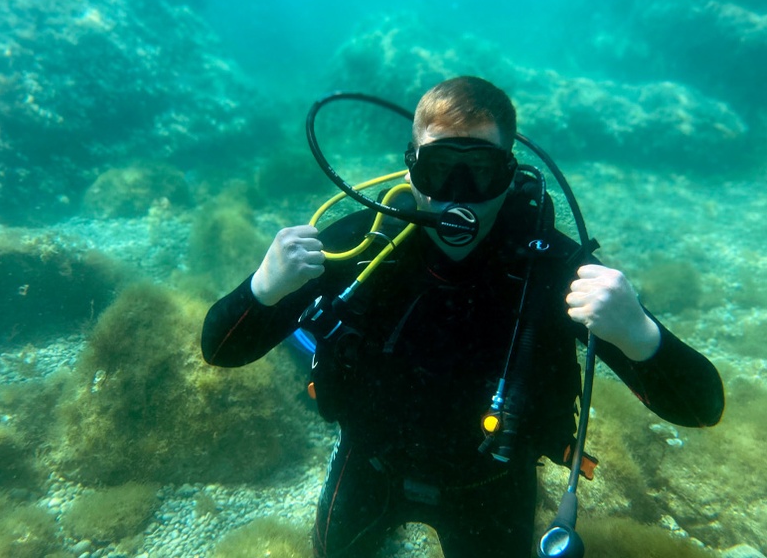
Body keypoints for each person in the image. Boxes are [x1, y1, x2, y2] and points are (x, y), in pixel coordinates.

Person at [201, 76, 724, 558]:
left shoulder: (551, 271)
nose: (457, 196)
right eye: (438, 168)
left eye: (480, 172)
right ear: (411, 167)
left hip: (491, 485)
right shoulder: (362, 246)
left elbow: (703, 407)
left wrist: (640, 334)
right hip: (369, 466)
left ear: (509, 174)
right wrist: (262, 289)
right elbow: (219, 350)